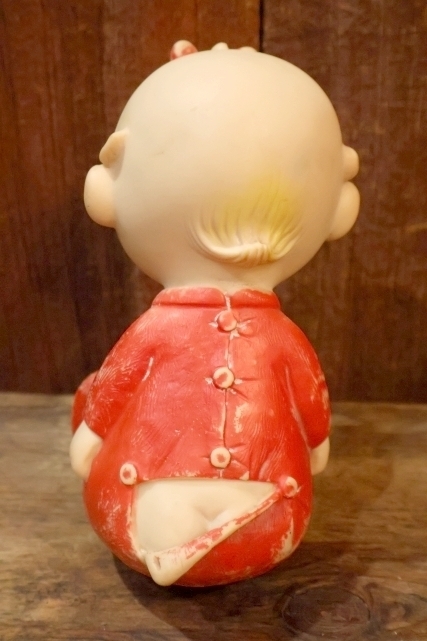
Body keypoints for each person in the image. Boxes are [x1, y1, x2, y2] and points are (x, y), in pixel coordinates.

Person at [70, 41, 359, 586]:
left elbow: (116, 381)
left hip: (223, 483)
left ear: (107, 192)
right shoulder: (275, 335)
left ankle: (191, 538)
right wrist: (317, 442)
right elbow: (310, 398)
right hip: (230, 483)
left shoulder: (167, 328)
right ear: (340, 205)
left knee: (165, 510)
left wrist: (90, 433)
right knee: (224, 515)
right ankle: (204, 533)